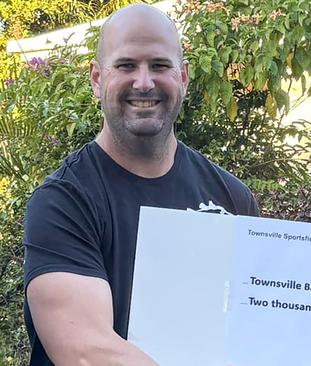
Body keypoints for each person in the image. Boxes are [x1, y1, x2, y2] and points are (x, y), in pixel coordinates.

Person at [22, 4, 259, 365]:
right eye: (126, 65)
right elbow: (86, 352)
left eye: (160, 66)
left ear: (183, 77)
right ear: (97, 78)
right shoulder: (64, 202)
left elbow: (256, 324)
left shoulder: (233, 198)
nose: (144, 82)